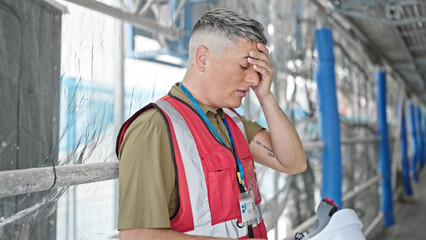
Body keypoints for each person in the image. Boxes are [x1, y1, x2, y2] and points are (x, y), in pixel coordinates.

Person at [116, 8, 307, 239]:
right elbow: (137, 236)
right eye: (244, 66)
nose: (254, 79)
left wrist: (265, 96)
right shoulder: (154, 128)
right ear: (203, 58)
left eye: (257, 70)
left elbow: (294, 163)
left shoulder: (232, 122)